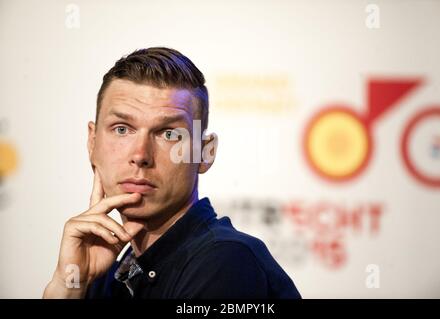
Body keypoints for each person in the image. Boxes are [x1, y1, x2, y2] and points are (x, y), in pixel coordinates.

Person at [42, 47, 301, 299]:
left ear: (205, 152)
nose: (141, 155)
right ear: (92, 142)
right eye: (122, 129)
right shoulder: (110, 269)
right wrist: (69, 286)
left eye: (169, 134)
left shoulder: (226, 260)